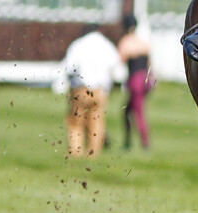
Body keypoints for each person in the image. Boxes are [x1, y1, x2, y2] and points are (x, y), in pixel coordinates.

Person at [63, 24, 120, 158]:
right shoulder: (107, 45)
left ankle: (76, 151)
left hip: (81, 89)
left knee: (76, 122)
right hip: (100, 90)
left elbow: (68, 66)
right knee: (97, 122)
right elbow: (117, 69)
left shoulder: (79, 45)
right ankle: (93, 152)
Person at [117, 15, 155, 150]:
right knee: (128, 111)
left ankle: (145, 142)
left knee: (138, 112)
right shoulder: (143, 42)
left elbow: (120, 60)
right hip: (146, 78)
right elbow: (150, 63)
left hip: (135, 79)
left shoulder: (125, 42)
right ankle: (128, 141)